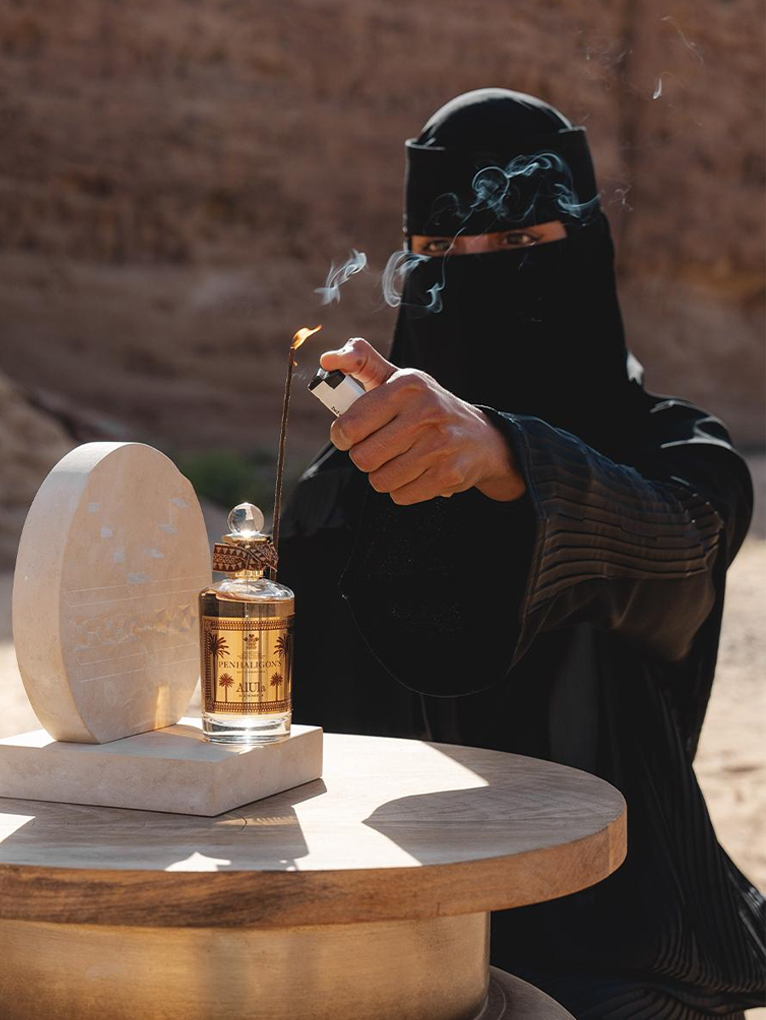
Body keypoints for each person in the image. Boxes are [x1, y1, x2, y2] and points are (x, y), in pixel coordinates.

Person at [278, 89, 765, 1019]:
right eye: (438, 254)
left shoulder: (677, 457)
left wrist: (504, 455)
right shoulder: (335, 493)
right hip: (381, 936)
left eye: (514, 248)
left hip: (616, 940)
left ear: (581, 252)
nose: (472, 279)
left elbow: (672, 553)